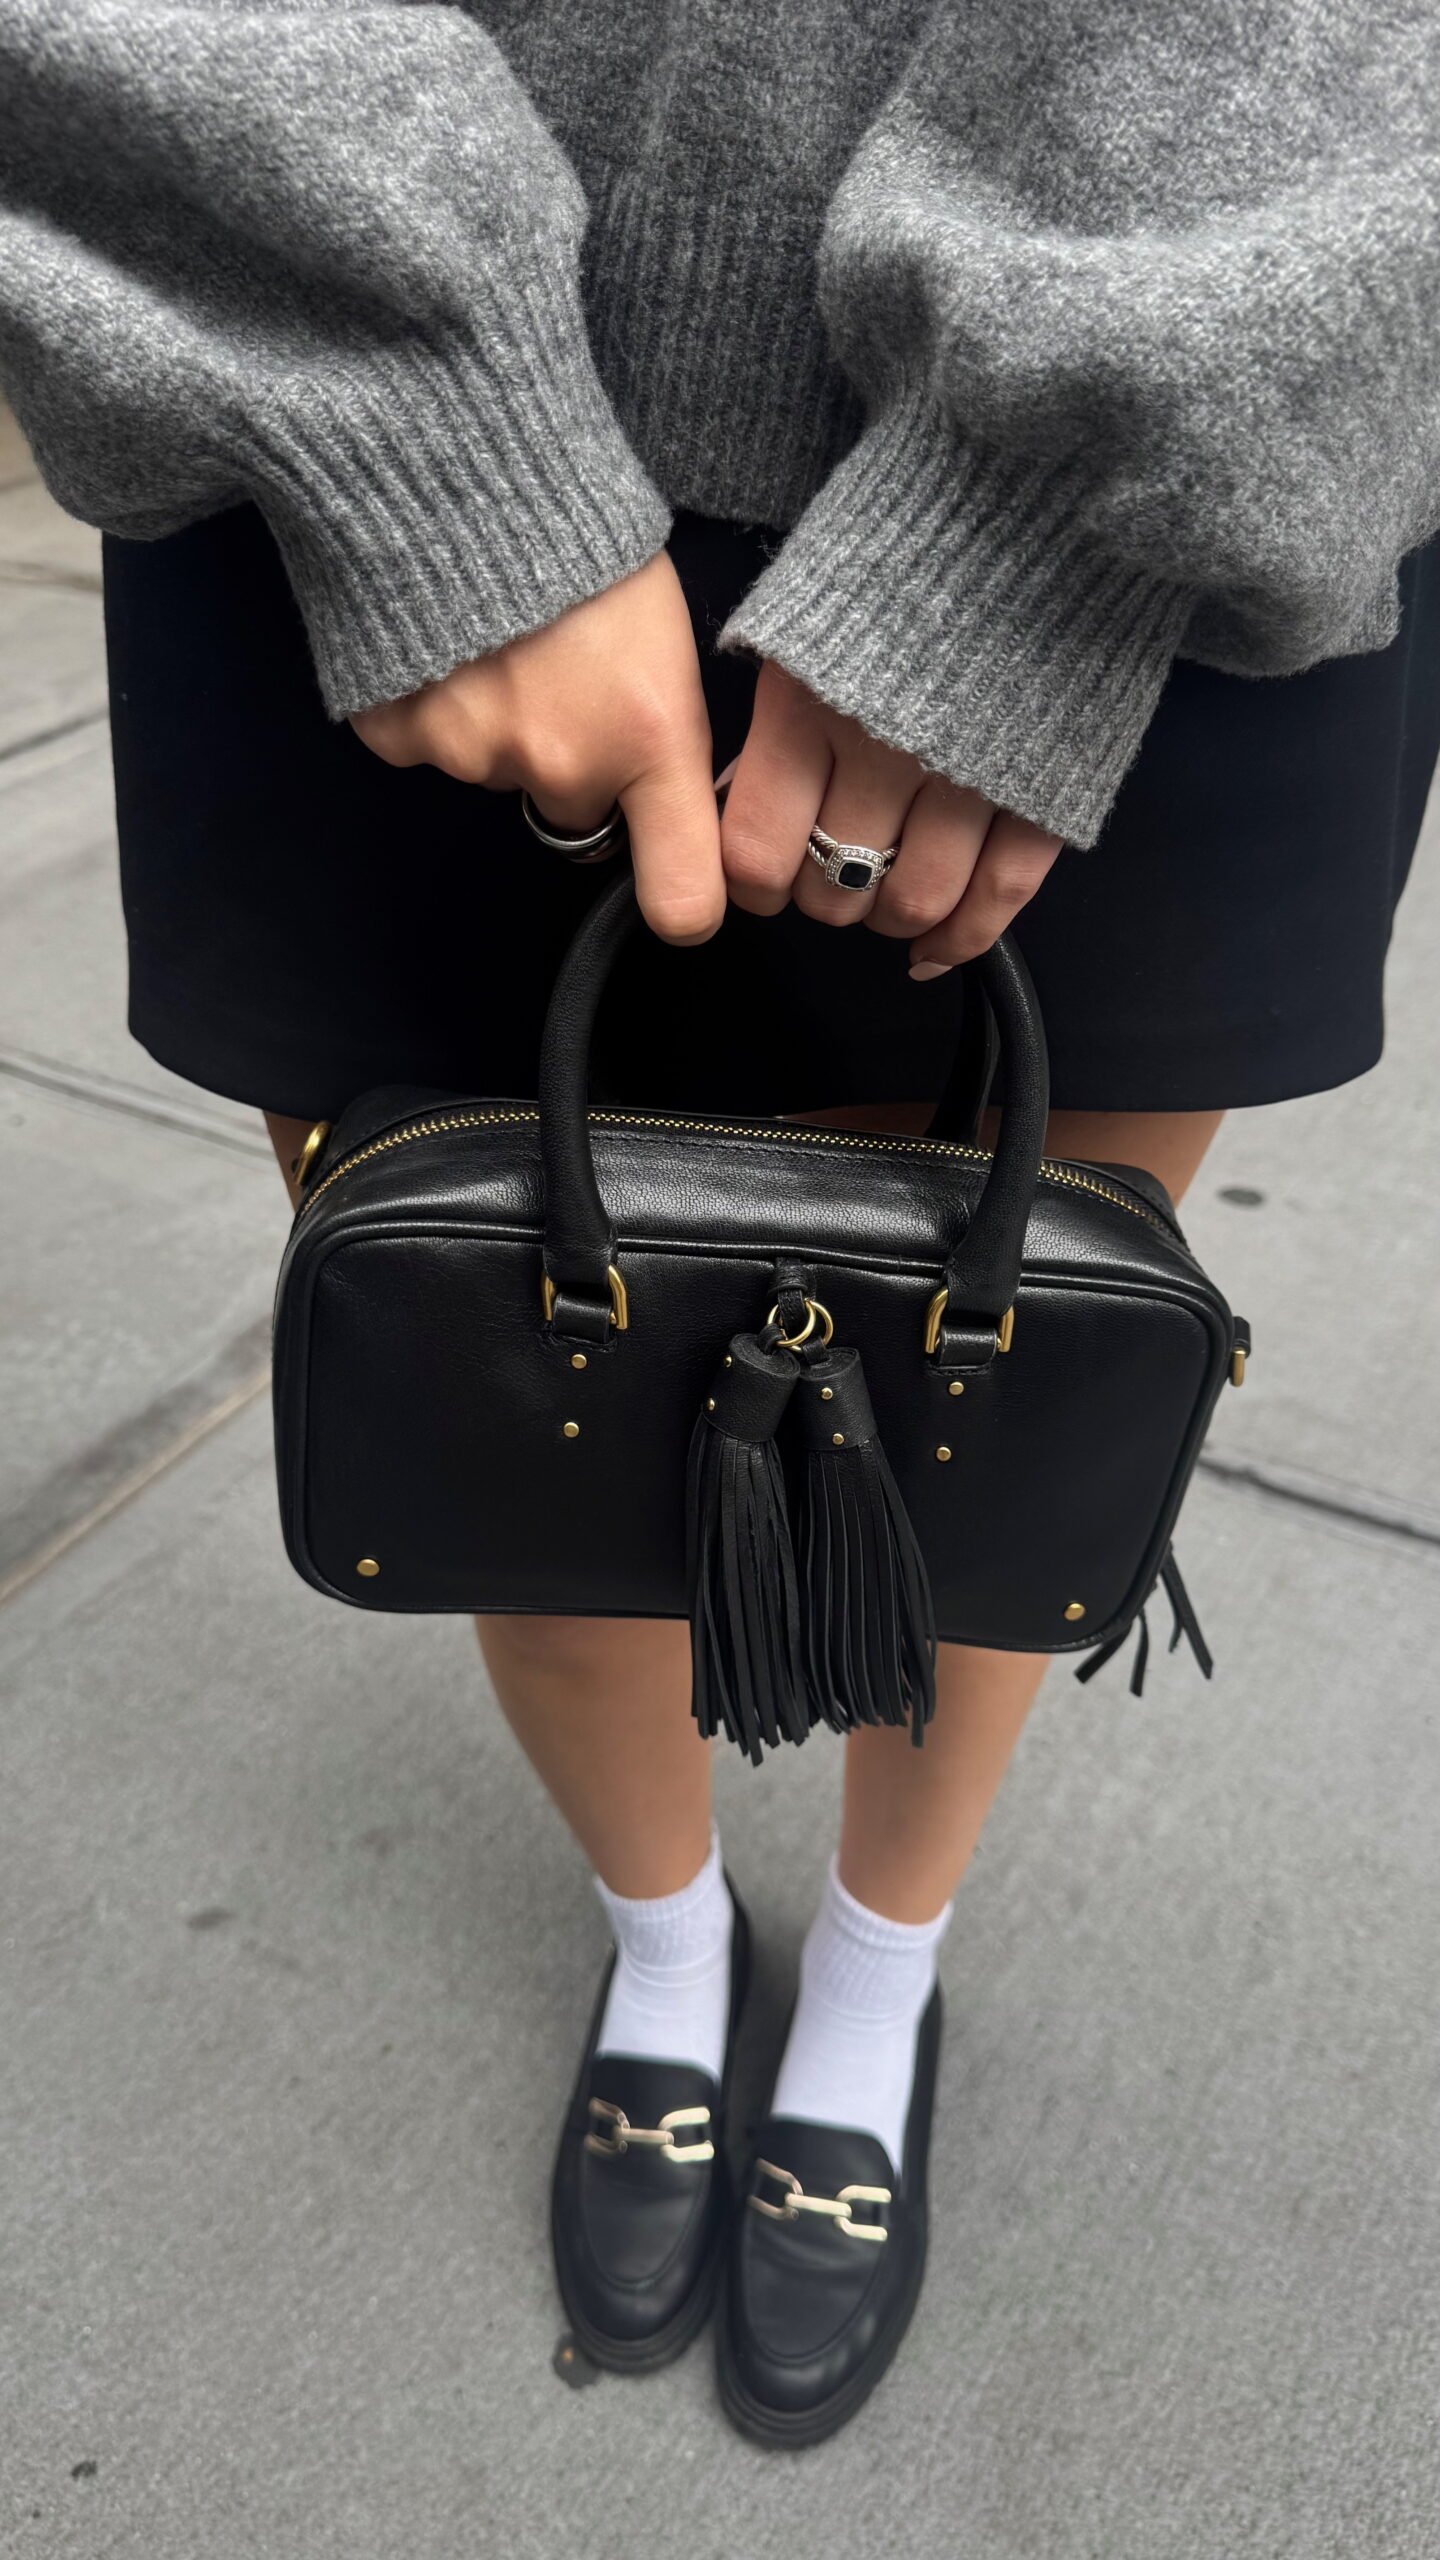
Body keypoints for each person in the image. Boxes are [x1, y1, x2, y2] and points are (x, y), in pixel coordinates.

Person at [2, 0, 1437, 2449]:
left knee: (981, 1452)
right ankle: (666, 1957)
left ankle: (876, 1980)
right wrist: (405, 379)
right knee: (516, 1435)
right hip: (354, 424)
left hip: (1178, 413)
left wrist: (1078, 452)